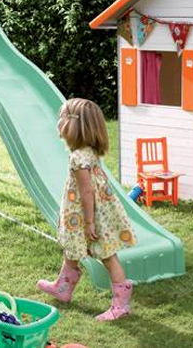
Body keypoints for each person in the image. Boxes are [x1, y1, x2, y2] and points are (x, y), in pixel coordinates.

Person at [37, 98, 137, 321]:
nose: (58, 122)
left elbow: (87, 191)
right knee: (72, 248)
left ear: (74, 126)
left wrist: (90, 222)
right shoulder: (87, 151)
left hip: (89, 215)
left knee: (108, 257)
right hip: (88, 213)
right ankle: (62, 289)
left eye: (61, 118)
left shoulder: (78, 157)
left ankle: (121, 306)